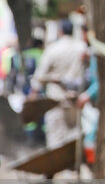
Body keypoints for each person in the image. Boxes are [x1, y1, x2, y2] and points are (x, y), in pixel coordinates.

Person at [31, 19, 87, 148]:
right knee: (74, 134)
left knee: (55, 136)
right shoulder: (81, 48)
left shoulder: (53, 49)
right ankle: (72, 165)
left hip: (55, 100)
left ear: (60, 31)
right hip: (75, 99)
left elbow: (39, 75)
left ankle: (57, 167)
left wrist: (34, 92)